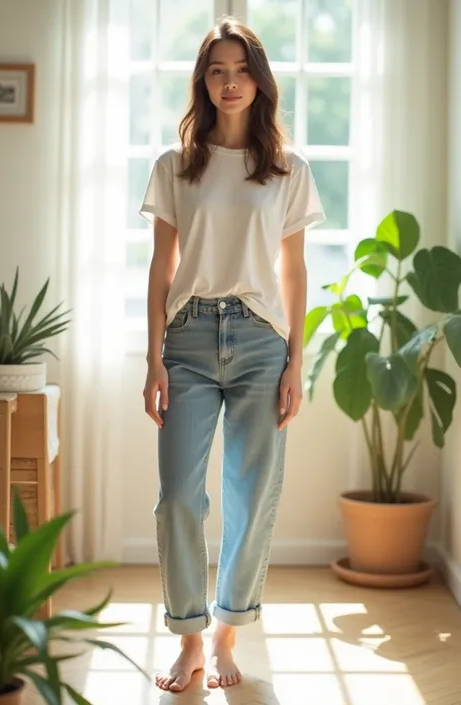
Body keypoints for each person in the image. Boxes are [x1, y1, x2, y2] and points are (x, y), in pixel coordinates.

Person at [140, 16, 325, 693]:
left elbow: (297, 273)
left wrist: (296, 362)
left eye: (241, 69)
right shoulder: (174, 166)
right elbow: (161, 270)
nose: (229, 82)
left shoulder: (286, 169)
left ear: (260, 79)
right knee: (178, 500)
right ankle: (188, 637)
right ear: (202, 81)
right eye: (216, 70)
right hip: (185, 339)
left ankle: (224, 635)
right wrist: (152, 358)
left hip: (260, 340)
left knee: (255, 497)